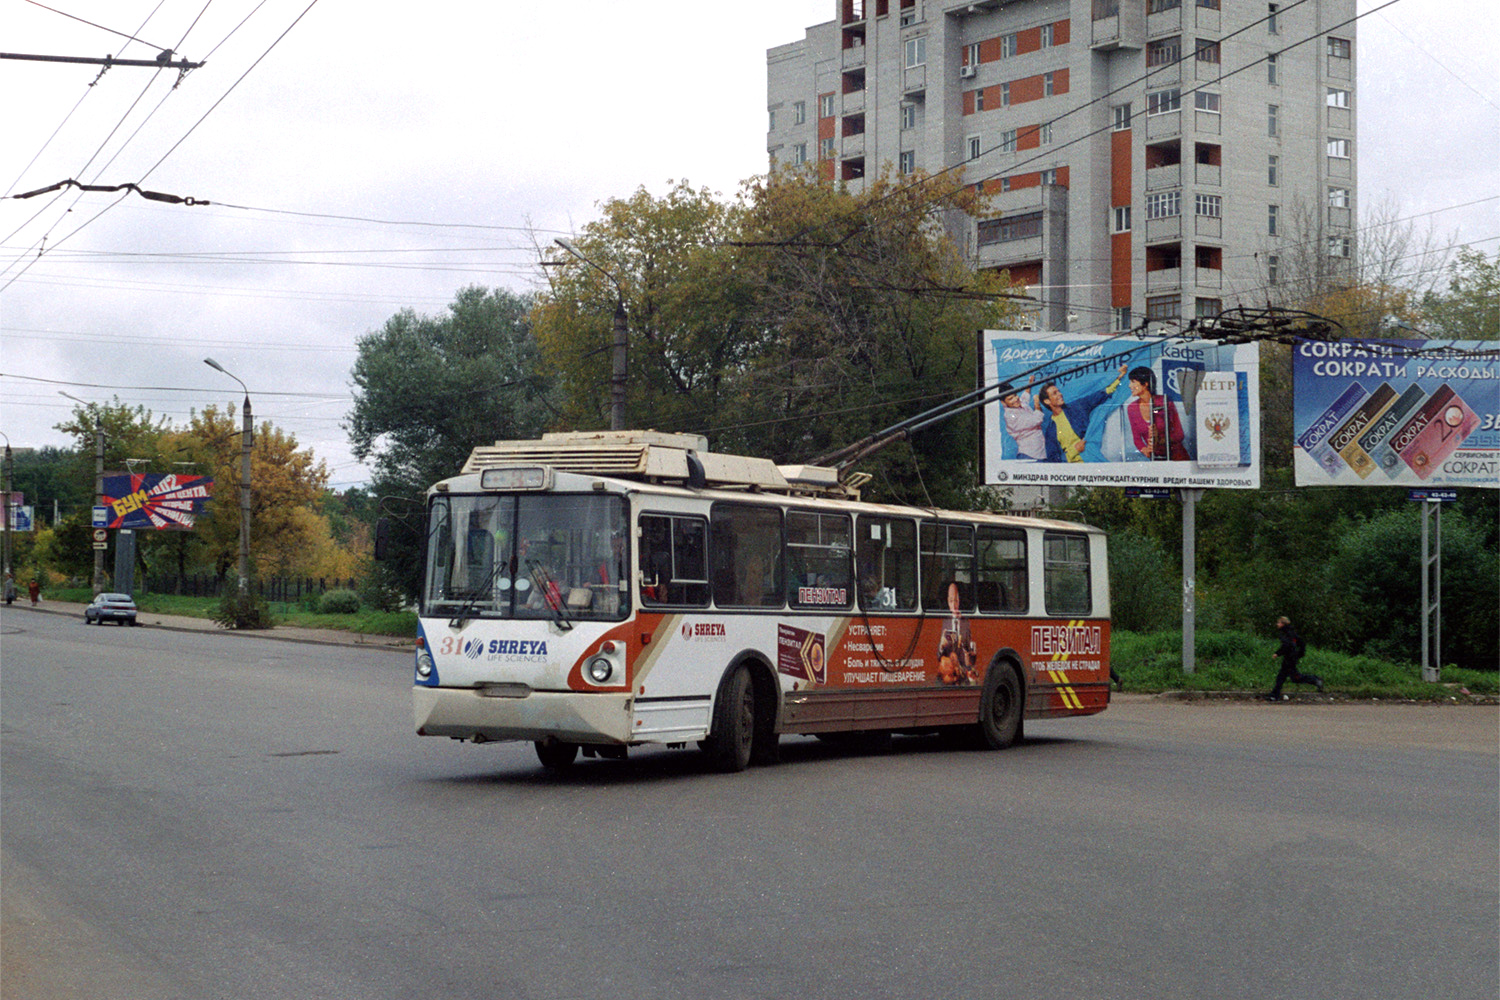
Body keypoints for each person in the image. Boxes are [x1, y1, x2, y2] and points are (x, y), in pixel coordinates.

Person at [1041, 364, 1127, 463]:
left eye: (1058, 391)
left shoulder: (1076, 407)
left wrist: (1119, 377)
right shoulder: (1051, 430)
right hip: (1074, 471)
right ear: (1047, 401)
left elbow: (1101, 395)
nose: (1060, 394)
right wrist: (1074, 450)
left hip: (1093, 461)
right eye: (1054, 393)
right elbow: (1053, 460)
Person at [1124, 366, 1189, 461]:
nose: (1130, 386)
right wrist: (1145, 450)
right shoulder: (1132, 408)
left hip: (1177, 457)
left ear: (1145, 384)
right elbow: (1137, 439)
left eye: (1133, 382)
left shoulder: (1165, 402)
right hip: (1156, 460)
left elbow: (1179, 434)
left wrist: (1159, 440)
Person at [1266, 616, 1323, 701]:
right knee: (1282, 677)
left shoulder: (1285, 633)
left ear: (1282, 624)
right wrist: (1299, 654)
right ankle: (1274, 695)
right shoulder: (1291, 632)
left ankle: (1315, 680)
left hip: (1290, 658)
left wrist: (1277, 653)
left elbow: (1287, 645)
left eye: (1278, 622)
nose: (1277, 624)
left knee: (1294, 677)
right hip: (1291, 657)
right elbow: (1301, 643)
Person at [936, 581, 977, 685]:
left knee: (973, 683)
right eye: (951, 601)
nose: (954, 605)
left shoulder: (965, 623)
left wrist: (972, 654)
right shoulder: (944, 622)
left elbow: (969, 652)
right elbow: (938, 656)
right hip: (948, 672)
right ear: (947, 602)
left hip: (962, 673)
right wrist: (941, 646)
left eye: (956, 600)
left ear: (959, 601)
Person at [999, 377, 1047, 460]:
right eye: (1010, 399)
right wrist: (1037, 403)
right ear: (1003, 402)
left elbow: (1024, 398)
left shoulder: (1018, 404)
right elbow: (1037, 419)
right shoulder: (1010, 416)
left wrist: (1030, 383)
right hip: (1029, 455)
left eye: (1015, 395)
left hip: (1039, 454)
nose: (1016, 399)